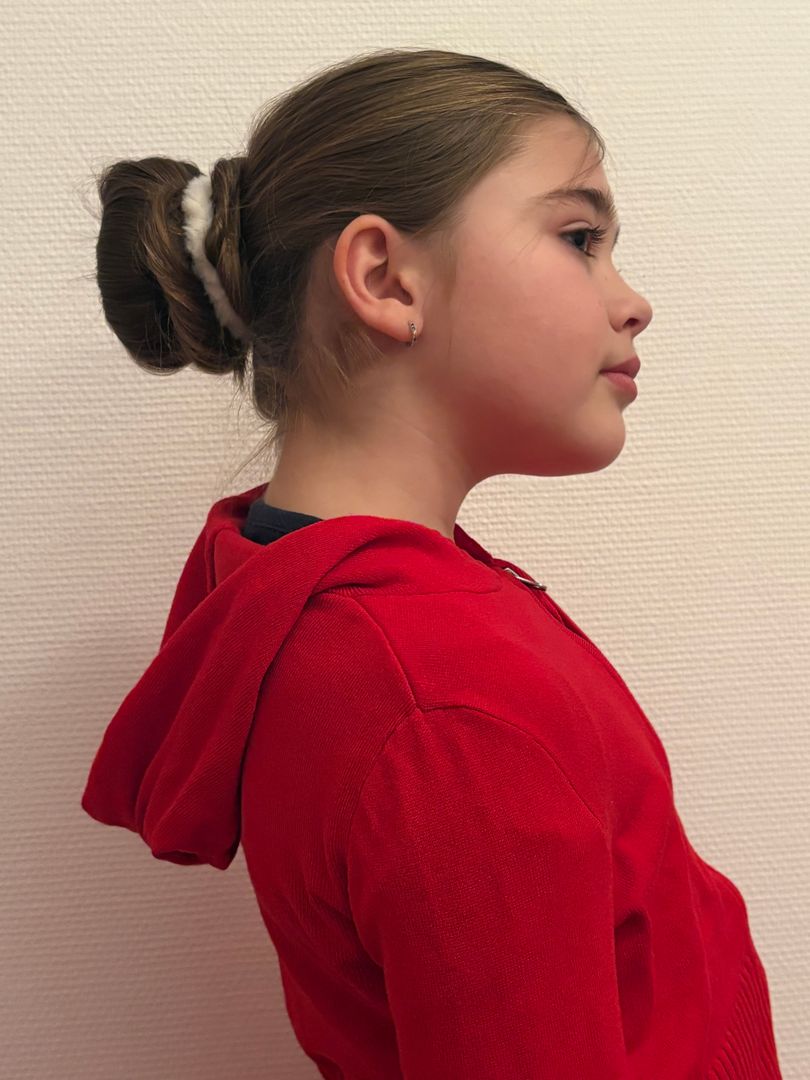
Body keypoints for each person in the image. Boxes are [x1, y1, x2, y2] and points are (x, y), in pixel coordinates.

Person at [81, 47, 782, 1078]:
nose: (632, 301)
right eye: (579, 238)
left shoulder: (332, 596)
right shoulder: (442, 705)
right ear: (383, 278)